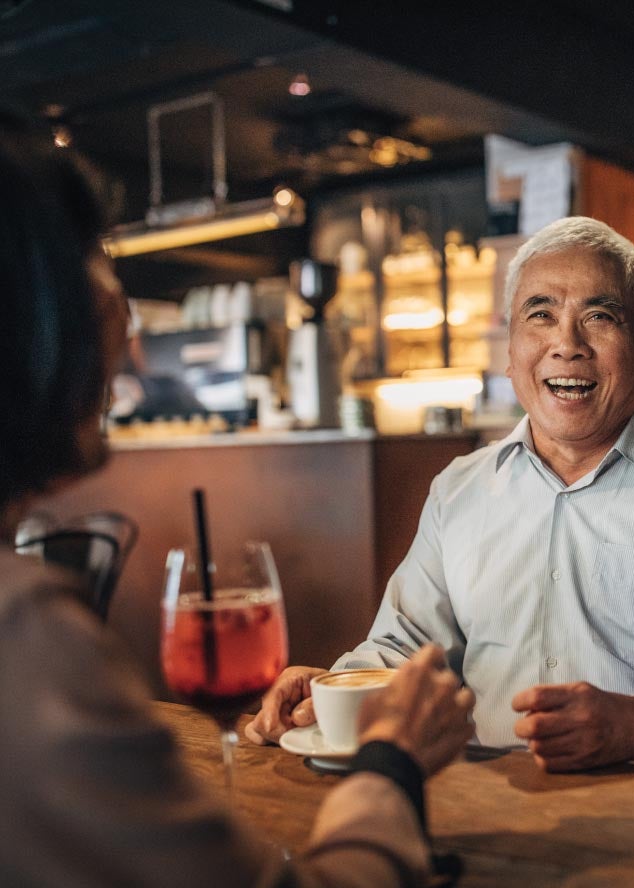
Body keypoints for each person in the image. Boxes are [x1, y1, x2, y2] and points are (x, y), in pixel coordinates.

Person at [0, 118, 475, 887]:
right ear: (31, 316)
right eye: (97, 262)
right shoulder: (25, 639)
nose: (126, 326)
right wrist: (389, 763)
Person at [248, 216, 634, 771]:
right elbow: (404, 647)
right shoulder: (458, 490)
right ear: (510, 348)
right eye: (541, 315)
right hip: (476, 800)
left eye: (599, 317)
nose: (567, 345)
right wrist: (335, 691)